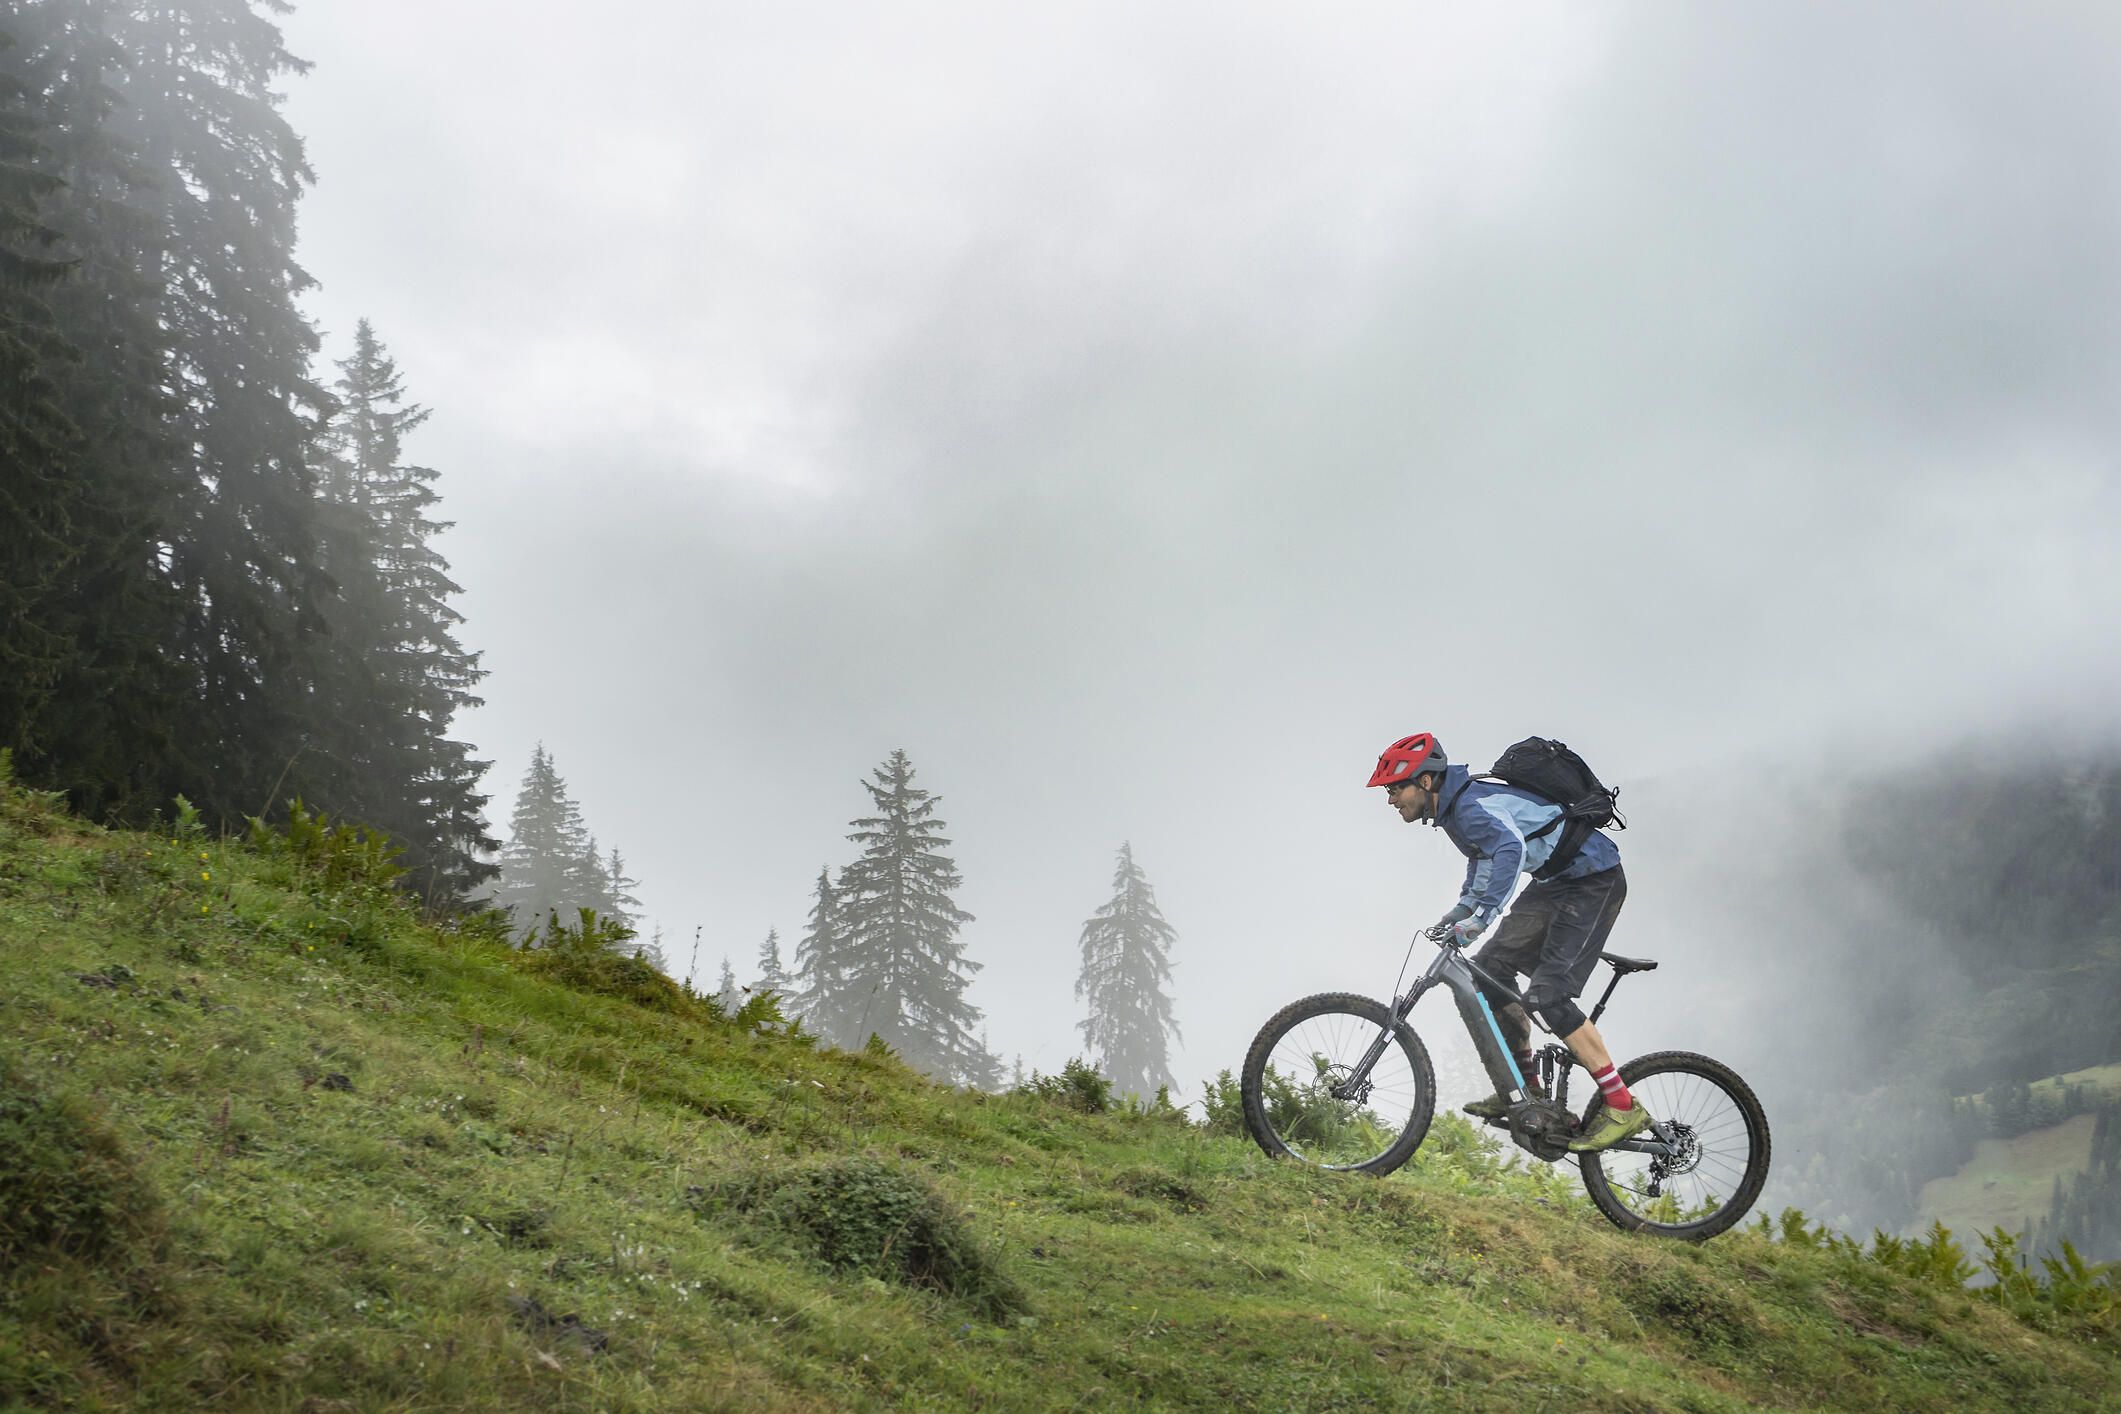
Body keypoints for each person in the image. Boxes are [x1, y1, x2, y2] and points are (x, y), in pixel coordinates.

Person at [1367, 732, 1649, 1153]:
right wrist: (1462, 911)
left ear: (1426, 782)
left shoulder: (1470, 805)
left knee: (1549, 996)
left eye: (1395, 787)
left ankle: (1622, 1104)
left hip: (1594, 879)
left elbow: (1510, 850)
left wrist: (1481, 917)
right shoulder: (1456, 810)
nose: (1391, 799)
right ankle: (1525, 1092)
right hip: (1556, 882)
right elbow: (1484, 858)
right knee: (1492, 969)